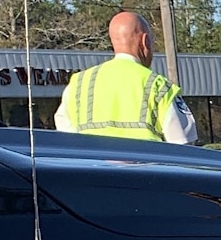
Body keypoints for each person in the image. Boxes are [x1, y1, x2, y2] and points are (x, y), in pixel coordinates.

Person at [53, 11, 197, 143]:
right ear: (145, 42)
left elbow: (67, 139)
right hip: (146, 170)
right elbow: (183, 146)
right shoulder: (158, 86)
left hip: (92, 170)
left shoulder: (78, 84)